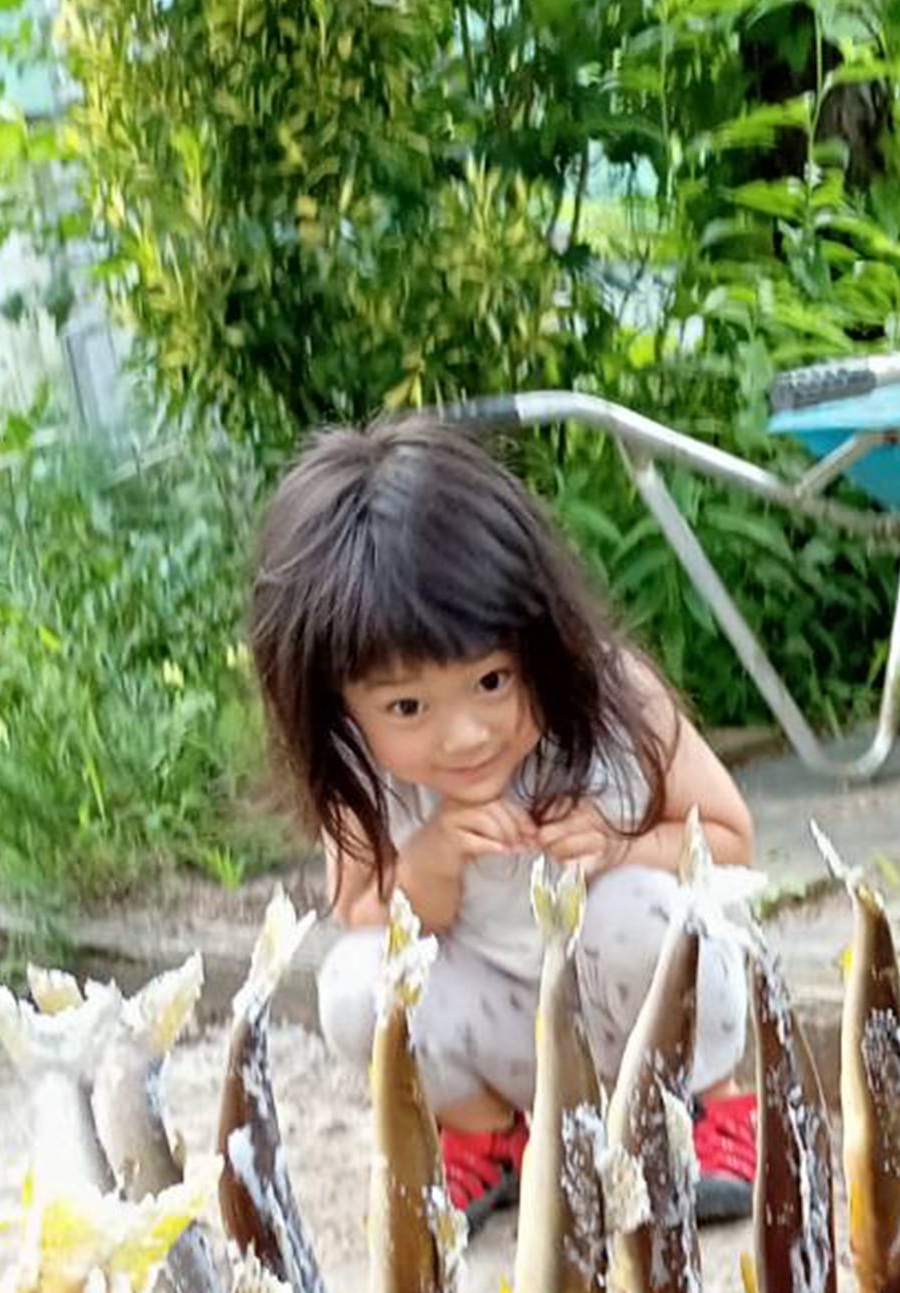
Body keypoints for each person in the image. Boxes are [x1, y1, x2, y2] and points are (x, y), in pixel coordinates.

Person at [244, 413, 759, 1230]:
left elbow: (729, 836)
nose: (464, 734)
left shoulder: (614, 701)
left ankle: (712, 1110)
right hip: (503, 1029)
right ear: (336, 703)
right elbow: (362, 907)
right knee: (355, 984)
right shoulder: (364, 775)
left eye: (491, 682)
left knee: (641, 910)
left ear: (541, 638)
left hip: (639, 1018)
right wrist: (436, 858)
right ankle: (495, 1137)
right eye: (408, 706)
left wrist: (622, 846)